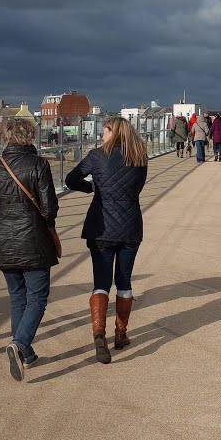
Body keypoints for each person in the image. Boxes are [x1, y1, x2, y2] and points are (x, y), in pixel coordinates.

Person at [0, 118, 59, 382]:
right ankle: (20, 344)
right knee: (37, 297)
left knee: (17, 297)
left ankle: (25, 355)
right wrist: (41, 225)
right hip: (33, 239)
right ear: (30, 136)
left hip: (3, 241)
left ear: (5, 137)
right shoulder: (39, 164)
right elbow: (49, 208)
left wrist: (1, 226)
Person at [65, 117, 148, 364]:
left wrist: (92, 188)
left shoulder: (97, 156)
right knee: (124, 279)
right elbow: (137, 188)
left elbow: (70, 179)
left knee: (101, 281)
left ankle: (98, 334)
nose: (102, 135)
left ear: (113, 131)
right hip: (131, 226)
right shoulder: (139, 156)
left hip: (100, 226)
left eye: (104, 130)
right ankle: (120, 334)